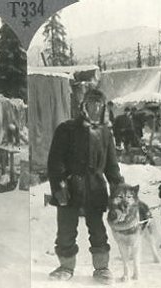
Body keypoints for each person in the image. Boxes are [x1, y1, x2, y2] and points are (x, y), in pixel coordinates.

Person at [47, 89, 124, 285]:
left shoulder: (106, 133)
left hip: (95, 188)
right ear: (84, 105)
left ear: (104, 107)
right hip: (70, 188)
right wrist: (59, 186)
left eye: (99, 103)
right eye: (91, 102)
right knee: (65, 230)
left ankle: (101, 268)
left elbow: (111, 166)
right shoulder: (67, 129)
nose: (95, 107)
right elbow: (55, 162)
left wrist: (120, 189)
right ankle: (65, 266)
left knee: (97, 230)